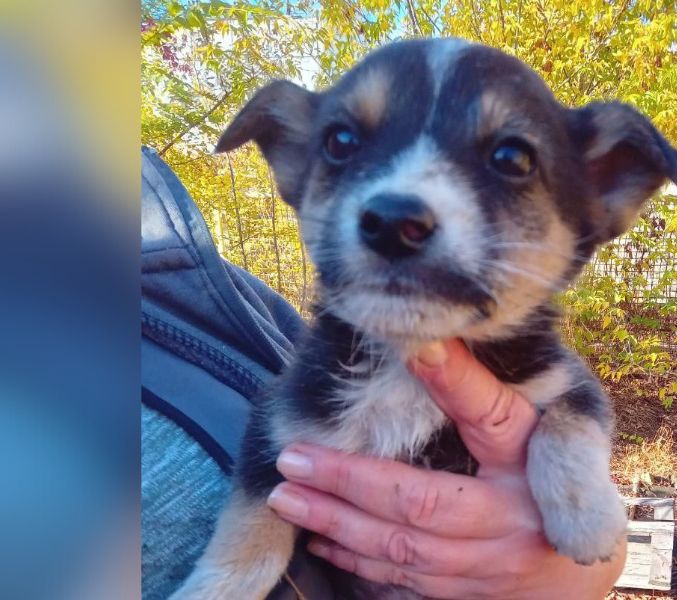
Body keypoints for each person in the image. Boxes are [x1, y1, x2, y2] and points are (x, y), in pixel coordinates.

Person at [140, 146, 625, 599]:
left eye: (508, 161)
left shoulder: (182, 275)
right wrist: (239, 566)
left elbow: (574, 408)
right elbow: (272, 443)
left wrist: (579, 551)